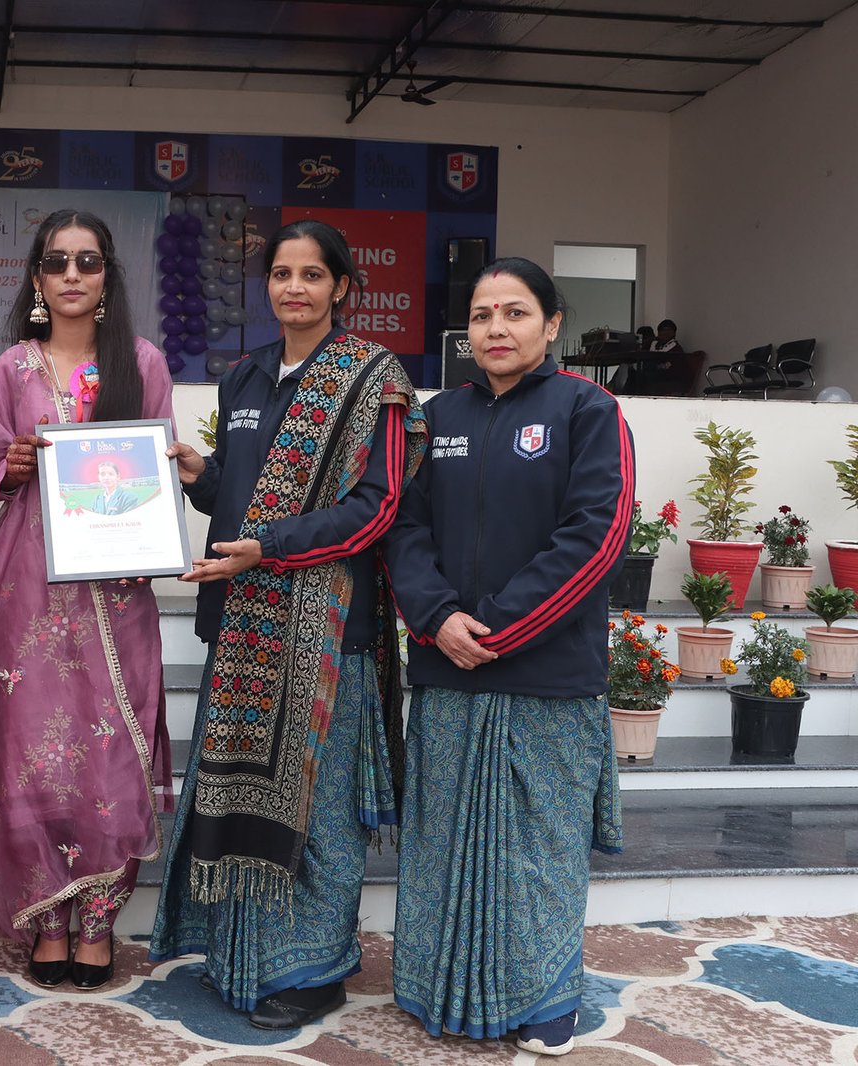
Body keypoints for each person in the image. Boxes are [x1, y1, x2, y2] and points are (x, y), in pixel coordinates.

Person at [149, 219, 426, 1028]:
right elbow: (239, 491)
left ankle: (317, 967)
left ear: (342, 286)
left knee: (321, 809)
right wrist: (202, 477)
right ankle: (245, 958)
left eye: (311, 274)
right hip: (244, 625)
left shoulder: (373, 378)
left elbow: (376, 506)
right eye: (281, 273)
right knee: (238, 799)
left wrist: (268, 547)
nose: (294, 288)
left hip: (329, 631)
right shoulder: (245, 376)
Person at [383, 256, 631, 1057]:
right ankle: (439, 987)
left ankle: (546, 1000)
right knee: (443, 844)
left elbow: (595, 537)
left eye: (516, 312)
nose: (496, 328)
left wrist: (492, 629)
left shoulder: (588, 411)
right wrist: (436, 617)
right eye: (483, 315)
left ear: (551, 324)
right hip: (447, 668)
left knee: (538, 852)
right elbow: (404, 529)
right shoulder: (438, 417)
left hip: (546, 678)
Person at [0, 209, 174, 990]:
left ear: (107, 276)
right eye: (56, 262)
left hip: (116, 592)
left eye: (87, 261)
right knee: (31, 752)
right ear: (37, 278)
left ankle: (99, 921)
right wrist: (7, 468)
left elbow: (154, 467)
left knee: (112, 750)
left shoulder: (141, 363)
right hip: (28, 591)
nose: (72, 275)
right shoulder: (13, 368)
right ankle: (48, 920)